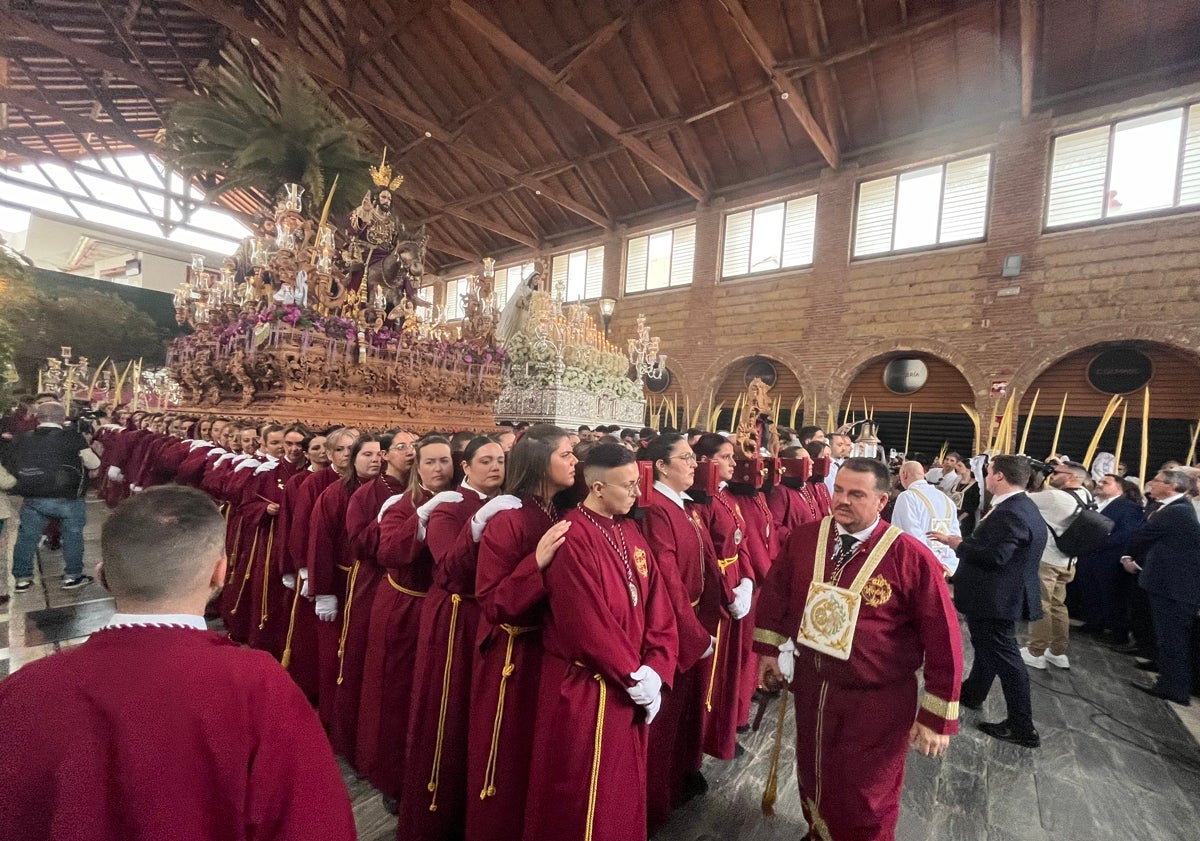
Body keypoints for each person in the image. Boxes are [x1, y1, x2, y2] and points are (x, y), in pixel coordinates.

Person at [0, 486, 355, 841]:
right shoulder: (257, 684)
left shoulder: (24, 688)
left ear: (103, 574)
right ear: (221, 573)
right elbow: (313, 823)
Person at [755, 457, 962, 841]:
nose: (843, 500)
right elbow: (776, 594)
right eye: (839, 490)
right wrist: (769, 651)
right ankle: (819, 832)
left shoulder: (911, 557)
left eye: (856, 494)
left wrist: (937, 716)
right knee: (815, 770)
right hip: (813, 686)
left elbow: (943, 636)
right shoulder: (805, 539)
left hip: (876, 699)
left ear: (882, 501)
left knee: (866, 792)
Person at [523, 443, 677, 841]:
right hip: (587, 687)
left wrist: (657, 670)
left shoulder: (630, 531)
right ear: (596, 488)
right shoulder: (573, 537)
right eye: (627, 486)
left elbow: (659, 605)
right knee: (580, 796)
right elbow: (585, 623)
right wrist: (633, 675)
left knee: (621, 790)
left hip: (633, 682)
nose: (636, 494)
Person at [466, 425, 575, 841]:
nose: (574, 463)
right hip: (511, 653)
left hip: (548, 652)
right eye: (566, 454)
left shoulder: (561, 511)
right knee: (506, 755)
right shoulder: (508, 521)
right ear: (538, 462)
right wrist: (537, 563)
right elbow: (492, 602)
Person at [399, 436, 509, 840]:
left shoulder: (510, 501)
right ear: (466, 467)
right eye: (486, 460)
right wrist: (479, 526)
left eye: (500, 459)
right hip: (458, 616)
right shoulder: (450, 506)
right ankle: (435, 810)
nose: (495, 467)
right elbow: (450, 569)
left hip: (492, 615)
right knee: (448, 707)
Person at [359, 435, 455, 801]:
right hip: (406, 606)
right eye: (429, 462)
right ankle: (394, 777)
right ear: (417, 466)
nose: (438, 469)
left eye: (444, 460)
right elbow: (390, 552)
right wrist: (423, 517)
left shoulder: (465, 502)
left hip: (445, 610)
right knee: (398, 692)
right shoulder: (402, 504)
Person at [933, 455, 1046, 748]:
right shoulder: (1021, 506)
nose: (985, 477)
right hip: (998, 595)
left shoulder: (1012, 512)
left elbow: (996, 556)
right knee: (987, 648)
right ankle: (973, 693)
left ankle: (1022, 725)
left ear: (999, 477)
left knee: (1007, 660)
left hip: (996, 597)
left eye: (988, 472)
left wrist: (958, 544)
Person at [637, 433, 718, 831]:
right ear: (662, 466)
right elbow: (667, 578)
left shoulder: (686, 506)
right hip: (672, 626)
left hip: (696, 618)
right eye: (685, 457)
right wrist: (693, 634)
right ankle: (654, 803)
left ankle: (682, 778)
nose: (693, 464)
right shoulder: (657, 511)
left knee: (687, 713)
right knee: (665, 722)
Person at [5, 401, 100, 592]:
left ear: (37, 418)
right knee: (72, 536)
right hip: (67, 496)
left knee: (27, 537)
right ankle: (72, 576)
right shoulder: (72, 437)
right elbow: (92, 462)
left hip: (32, 495)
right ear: (62, 417)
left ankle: (22, 578)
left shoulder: (22, 438)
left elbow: (12, 464)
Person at [1124, 467, 1200, 705]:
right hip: (1171, 585)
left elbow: (1142, 536)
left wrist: (1128, 556)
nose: (1150, 483)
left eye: (1156, 481)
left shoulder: (1175, 512)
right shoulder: (1178, 509)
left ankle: (1173, 688)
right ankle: (1169, 682)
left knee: (1172, 639)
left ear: (1172, 486)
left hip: (1174, 587)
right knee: (1168, 637)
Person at [1023, 461, 1094, 670]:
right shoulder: (1085, 495)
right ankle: (1057, 651)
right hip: (1068, 560)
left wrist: (1036, 479)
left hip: (1048, 559)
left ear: (1072, 477)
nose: (1052, 475)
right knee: (1058, 605)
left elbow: (1021, 499)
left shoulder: (1055, 497)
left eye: (1056, 473)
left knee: (1040, 604)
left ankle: (1035, 651)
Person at [1073, 473, 1145, 644]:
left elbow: (1126, 533)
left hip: (1109, 558)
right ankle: (1094, 623)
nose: (1100, 484)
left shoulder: (1128, 507)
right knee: (1090, 591)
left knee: (1111, 596)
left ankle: (1117, 632)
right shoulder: (1094, 502)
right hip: (1089, 555)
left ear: (1119, 488)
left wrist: (1098, 543)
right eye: (1100, 481)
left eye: (1106, 482)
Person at [890, 461, 961, 575]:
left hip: (918, 566)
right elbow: (954, 536)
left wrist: (931, 561)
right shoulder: (946, 499)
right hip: (943, 566)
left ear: (904, 474)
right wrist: (946, 562)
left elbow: (910, 535)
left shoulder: (908, 497)